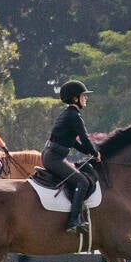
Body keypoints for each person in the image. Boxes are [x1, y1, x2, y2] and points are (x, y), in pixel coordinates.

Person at [34, 80, 103, 238]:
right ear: (75, 98)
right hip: (54, 158)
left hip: (52, 155)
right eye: (83, 95)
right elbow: (84, 139)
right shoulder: (74, 116)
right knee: (82, 182)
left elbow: (74, 142)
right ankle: (72, 222)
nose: (86, 98)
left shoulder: (67, 114)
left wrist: (89, 152)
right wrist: (94, 153)